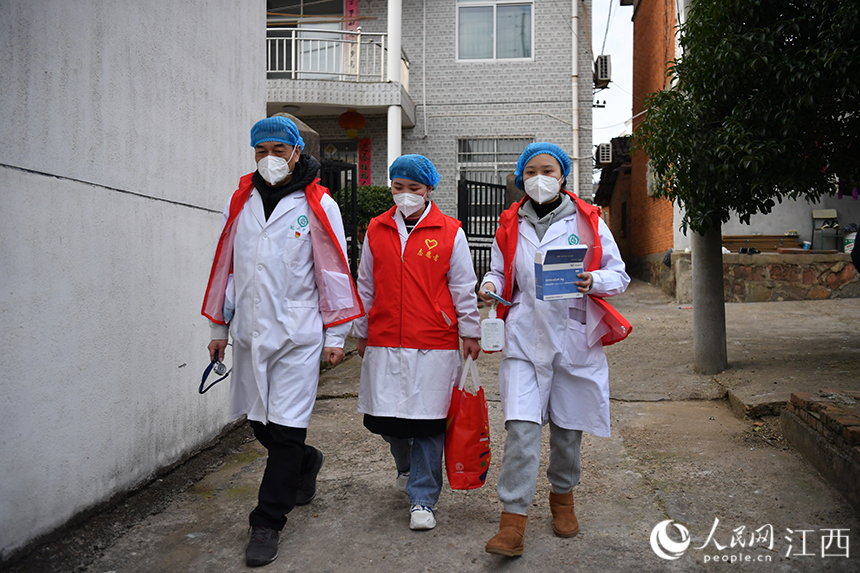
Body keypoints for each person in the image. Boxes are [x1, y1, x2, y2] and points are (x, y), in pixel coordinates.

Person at [201, 116, 363, 567]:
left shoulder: (319, 203)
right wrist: (219, 329)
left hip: (298, 334)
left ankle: (267, 521)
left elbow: (332, 274)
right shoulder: (242, 201)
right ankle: (307, 462)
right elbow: (228, 270)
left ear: (295, 152)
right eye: (261, 151)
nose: (269, 159)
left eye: (277, 149)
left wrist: (336, 335)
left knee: (287, 430)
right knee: (260, 425)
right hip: (251, 334)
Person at [478, 142, 631, 557]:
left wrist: (593, 282)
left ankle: (562, 497)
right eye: (530, 172)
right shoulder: (510, 224)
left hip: (572, 340)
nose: (539, 178)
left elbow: (619, 275)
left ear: (563, 176)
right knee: (522, 432)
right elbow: (497, 270)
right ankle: (512, 522)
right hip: (525, 338)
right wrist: (490, 286)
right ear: (521, 179)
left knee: (567, 434)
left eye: (547, 170)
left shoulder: (589, 221)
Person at [352, 155, 481, 531]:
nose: (405, 195)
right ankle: (406, 467)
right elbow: (366, 286)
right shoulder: (376, 230)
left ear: (428, 190)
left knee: (428, 422)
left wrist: (469, 331)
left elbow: (462, 287)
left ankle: (423, 498)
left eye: (414, 188)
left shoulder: (450, 231)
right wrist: (362, 330)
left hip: (434, 341)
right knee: (388, 420)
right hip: (385, 337)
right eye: (398, 187)